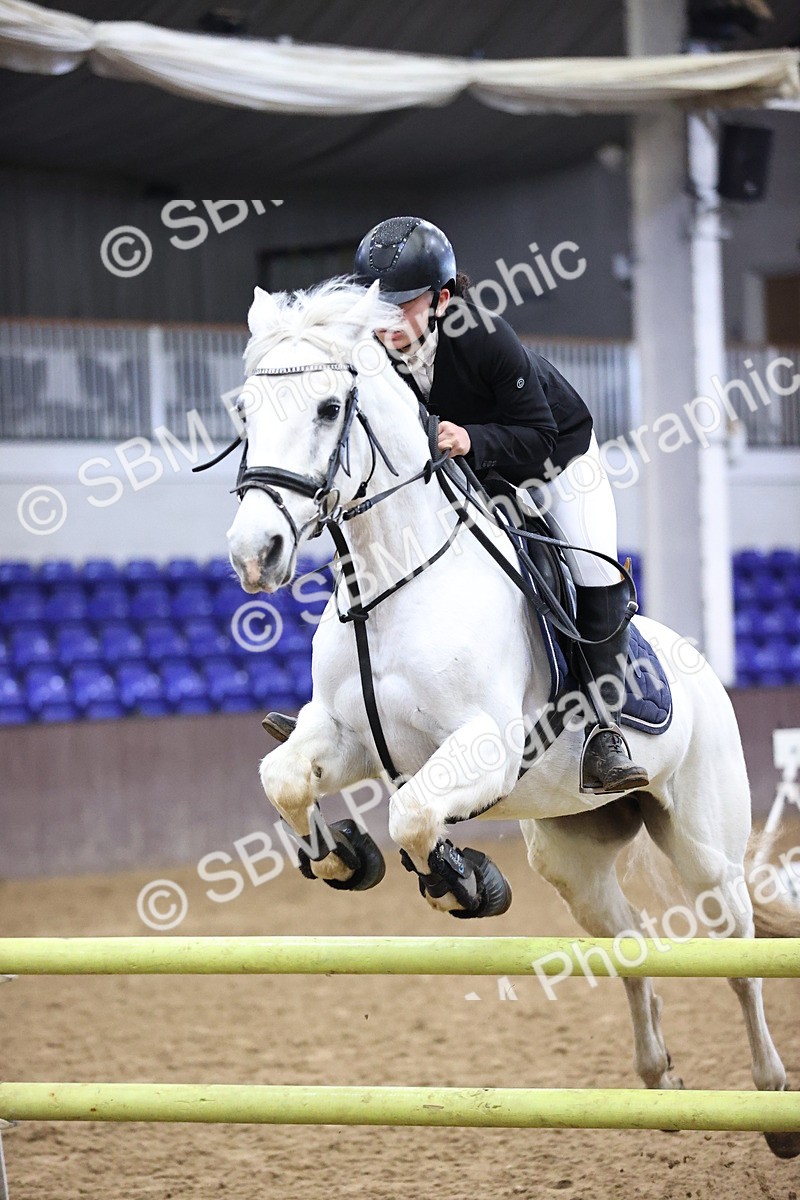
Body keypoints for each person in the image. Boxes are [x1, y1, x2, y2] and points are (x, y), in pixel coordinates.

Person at [264, 216, 649, 796]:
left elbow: (538, 436)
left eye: (403, 305)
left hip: (552, 457)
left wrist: (473, 438)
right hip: (463, 467)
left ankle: (603, 726)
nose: (387, 322)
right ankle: (351, 715)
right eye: (378, 306)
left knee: (592, 567)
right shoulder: (368, 350)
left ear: (442, 299)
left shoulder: (483, 336)